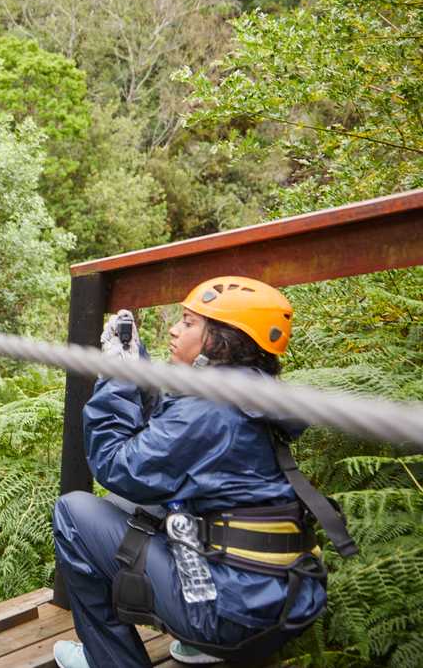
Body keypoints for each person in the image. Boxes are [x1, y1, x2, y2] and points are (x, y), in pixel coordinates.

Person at [51, 276, 355, 667]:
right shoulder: (251, 393)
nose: (175, 329)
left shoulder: (210, 409)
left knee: (74, 512)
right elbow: (171, 432)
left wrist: (117, 376)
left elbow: (115, 463)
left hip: (227, 615)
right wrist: (134, 365)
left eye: (190, 322)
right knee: (132, 503)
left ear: (223, 339)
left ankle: (110, 660)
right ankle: (195, 649)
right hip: (288, 600)